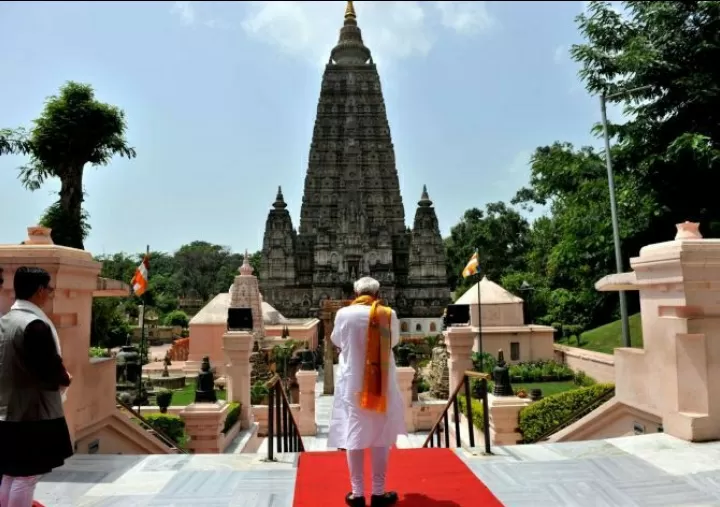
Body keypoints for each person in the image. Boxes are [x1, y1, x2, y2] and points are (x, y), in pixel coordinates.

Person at [328, 276, 406, 507]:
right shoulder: (387, 314)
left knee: (354, 434)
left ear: (356, 293)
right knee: (381, 435)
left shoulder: (344, 314)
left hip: (353, 382)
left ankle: (358, 493)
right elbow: (393, 342)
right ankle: (379, 493)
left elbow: (336, 340)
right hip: (380, 381)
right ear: (377, 293)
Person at [0, 267, 73, 507]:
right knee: (27, 476)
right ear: (40, 290)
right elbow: (50, 367)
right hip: (33, 413)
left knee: (11, 473)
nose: (50, 294)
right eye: (50, 289)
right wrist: (66, 379)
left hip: (6, 410)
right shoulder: (34, 325)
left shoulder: (5, 321)